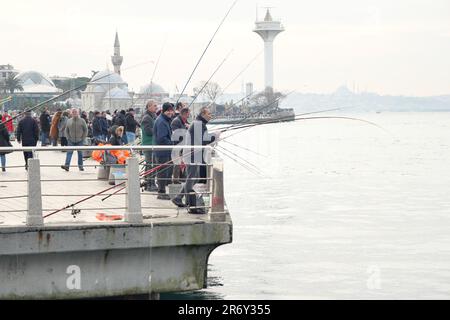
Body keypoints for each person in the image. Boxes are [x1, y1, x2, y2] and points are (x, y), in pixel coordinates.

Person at [172, 107, 217, 214]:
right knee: (192, 177)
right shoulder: (198, 124)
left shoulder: (199, 123)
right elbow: (201, 141)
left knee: (194, 178)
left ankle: (181, 198)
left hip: (193, 155)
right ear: (203, 114)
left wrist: (213, 136)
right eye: (209, 114)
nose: (211, 116)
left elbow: (201, 139)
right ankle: (182, 199)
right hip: (192, 155)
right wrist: (214, 136)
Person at [153, 102, 175, 200]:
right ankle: (161, 192)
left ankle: (162, 191)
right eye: (168, 111)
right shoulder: (161, 121)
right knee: (162, 171)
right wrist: (172, 144)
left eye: (171, 110)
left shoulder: (165, 120)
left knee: (164, 171)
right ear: (163, 111)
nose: (170, 112)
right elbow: (161, 138)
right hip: (162, 151)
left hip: (165, 150)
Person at [141, 100, 158, 192]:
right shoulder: (146, 118)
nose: (156, 107)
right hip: (148, 144)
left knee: (152, 164)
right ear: (149, 107)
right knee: (150, 164)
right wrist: (157, 131)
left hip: (152, 144)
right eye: (155, 106)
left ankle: (151, 183)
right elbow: (148, 131)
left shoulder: (152, 117)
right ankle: (149, 184)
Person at [171, 107, 190, 184]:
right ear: (184, 114)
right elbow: (177, 134)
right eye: (188, 114)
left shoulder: (182, 121)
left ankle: (180, 178)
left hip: (181, 145)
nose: (189, 115)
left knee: (181, 162)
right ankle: (175, 180)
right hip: (177, 146)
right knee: (177, 163)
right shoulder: (176, 121)